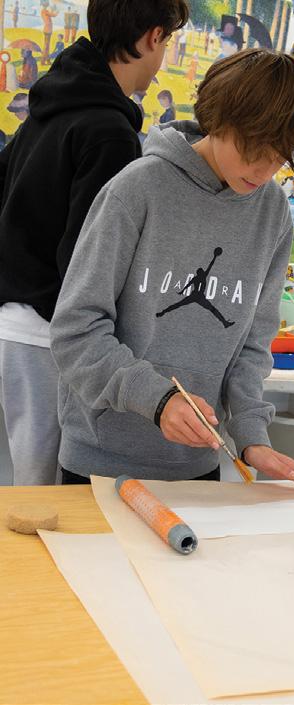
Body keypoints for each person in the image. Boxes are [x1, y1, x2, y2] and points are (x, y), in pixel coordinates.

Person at [50, 48, 294, 489]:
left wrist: (251, 436)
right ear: (218, 119)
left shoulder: (273, 212)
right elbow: (75, 331)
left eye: (279, 156)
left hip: (198, 466)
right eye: (253, 148)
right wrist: (158, 400)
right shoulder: (137, 189)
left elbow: (253, 345)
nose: (264, 169)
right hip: (101, 462)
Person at [0, 0, 189, 486]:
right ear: (153, 37)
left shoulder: (48, 107)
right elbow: (89, 261)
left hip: (14, 323)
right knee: (47, 499)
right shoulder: (109, 133)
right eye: (168, 40)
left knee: (21, 489)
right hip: (50, 336)